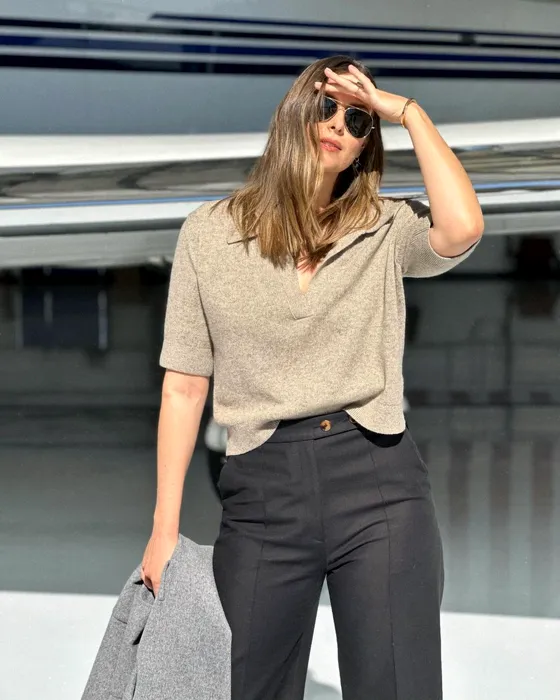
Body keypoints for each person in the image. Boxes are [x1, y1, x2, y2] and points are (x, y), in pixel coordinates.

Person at [141, 55, 484, 700]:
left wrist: (405, 112)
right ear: (295, 112)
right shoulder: (209, 235)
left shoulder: (384, 226)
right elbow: (184, 387)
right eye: (327, 106)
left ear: (364, 146)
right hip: (262, 493)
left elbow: (463, 226)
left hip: (379, 480)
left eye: (357, 120)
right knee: (244, 685)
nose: (338, 125)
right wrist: (164, 533)